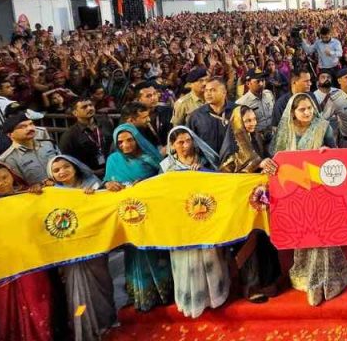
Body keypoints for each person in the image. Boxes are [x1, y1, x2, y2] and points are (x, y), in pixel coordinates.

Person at [270, 93, 347, 306]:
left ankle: (329, 278)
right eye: (302, 109)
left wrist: (328, 152)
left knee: (323, 234)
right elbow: (276, 159)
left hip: (320, 189)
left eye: (310, 108)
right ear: (292, 113)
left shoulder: (323, 127)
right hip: (295, 192)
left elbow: (337, 155)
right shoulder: (285, 131)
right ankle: (306, 275)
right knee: (304, 235)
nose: (307, 112)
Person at [0, 162, 55, 341]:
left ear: (12, 177)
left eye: (4, 178)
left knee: (38, 298)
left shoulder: (27, 195)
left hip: (33, 261)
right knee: (6, 303)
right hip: (1, 265)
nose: (1, 183)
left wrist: (44, 192)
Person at [46, 155, 122, 339]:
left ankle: (107, 320)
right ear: (51, 175)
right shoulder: (51, 193)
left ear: (75, 167)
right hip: (69, 248)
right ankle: (85, 327)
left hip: (95, 244)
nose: (62, 172)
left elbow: (106, 204)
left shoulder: (92, 184)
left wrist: (100, 193)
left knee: (102, 282)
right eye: (56, 170)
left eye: (66, 167)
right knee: (75, 286)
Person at [160, 126, 232, 317]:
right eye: (179, 142)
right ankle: (192, 299)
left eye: (187, 140)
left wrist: (204, 172)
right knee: (186, 261)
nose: (184, 145)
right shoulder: (167, 166)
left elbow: (220, 180)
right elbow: (161, 194)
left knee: (210, 257)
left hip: (205, 218)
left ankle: (214, 296)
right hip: (182, 222)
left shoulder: (204, 160)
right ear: (173, 146)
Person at [104, 124, 174, 312]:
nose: (125, 145)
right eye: (120, 142)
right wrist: (109, 183)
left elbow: (164, 180)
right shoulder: (113, 160)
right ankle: (143, 296)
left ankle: (165, 293)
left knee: (157, 252)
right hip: (129, 216)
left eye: (129, 140)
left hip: (153, 214)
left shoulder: (151, 159)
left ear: (137, 138)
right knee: (135, 254)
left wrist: (145, 184)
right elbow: (107, 181)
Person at [218, 105, 282, 303]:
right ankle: (251, 286)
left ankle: (268, 280)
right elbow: (227, 169)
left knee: (264, 238)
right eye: (247, 121)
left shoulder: (256, 138)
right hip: (241, 202)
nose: (252, 124)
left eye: (254, 119)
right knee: (248, 241)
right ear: (238, 122)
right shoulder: (232, 145)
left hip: (260, 199)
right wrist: (256, 163)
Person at [0, 113, 60, 185]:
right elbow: (17, 187)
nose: (30, 128)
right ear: (10, 134)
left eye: (31, 124)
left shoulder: (48, 144)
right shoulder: (6, 159)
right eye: (22, 127)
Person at [58, 98, 110, 176]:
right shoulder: (69, 136)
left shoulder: (105, 123)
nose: (90, 108)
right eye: (84, 107)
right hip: (87, 177)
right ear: (75, 113)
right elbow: (68, 161)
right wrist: (91, 172)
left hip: (111, 169)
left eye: (91, 105)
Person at [187, 78, 234, 154]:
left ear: (224, 92)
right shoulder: (196, 116)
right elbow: (189, 140)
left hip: (235, 162)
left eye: (213, 90)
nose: (208, 94)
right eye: (206, 90)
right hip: (207, 163)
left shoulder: (237, 111)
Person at [236, 71, 276, 138]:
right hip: (256, 137)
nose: (261, 84)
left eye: (263, 80)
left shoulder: (269, 94)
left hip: (273, 132)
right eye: (257, 81)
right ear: (248, 83)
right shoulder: (241, 102)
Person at [135, 82, 173, 147]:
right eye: (148, 96)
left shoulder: (167, 111)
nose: (153, 98)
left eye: (154, 94)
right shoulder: (134, 117)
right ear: (139, 100)